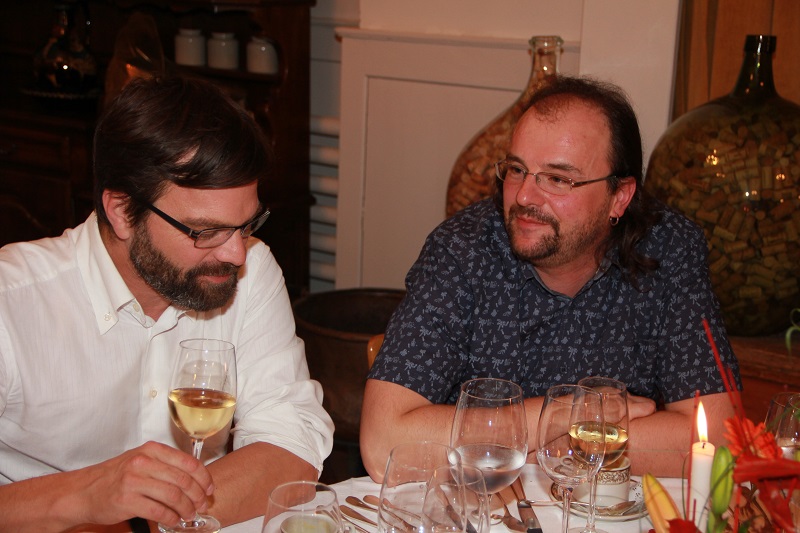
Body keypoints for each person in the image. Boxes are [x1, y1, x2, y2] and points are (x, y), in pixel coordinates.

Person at [361, 75, 740, 481]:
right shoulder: (462, 251)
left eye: (558, 179)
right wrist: (568, 413)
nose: (524, 196)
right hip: (484, 507)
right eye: (517, 170)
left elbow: (718, 442)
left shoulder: (669, 250)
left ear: (619, 197)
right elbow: (383, 444)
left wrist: (538, 447)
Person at [0, 76, 334, 532]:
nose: (236, 254)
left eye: (246, 225)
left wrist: (149, 523)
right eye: (205, 231)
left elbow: (290, 441)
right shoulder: (12, 302)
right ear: (122, 211)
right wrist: (85, 497)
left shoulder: (251, 271)